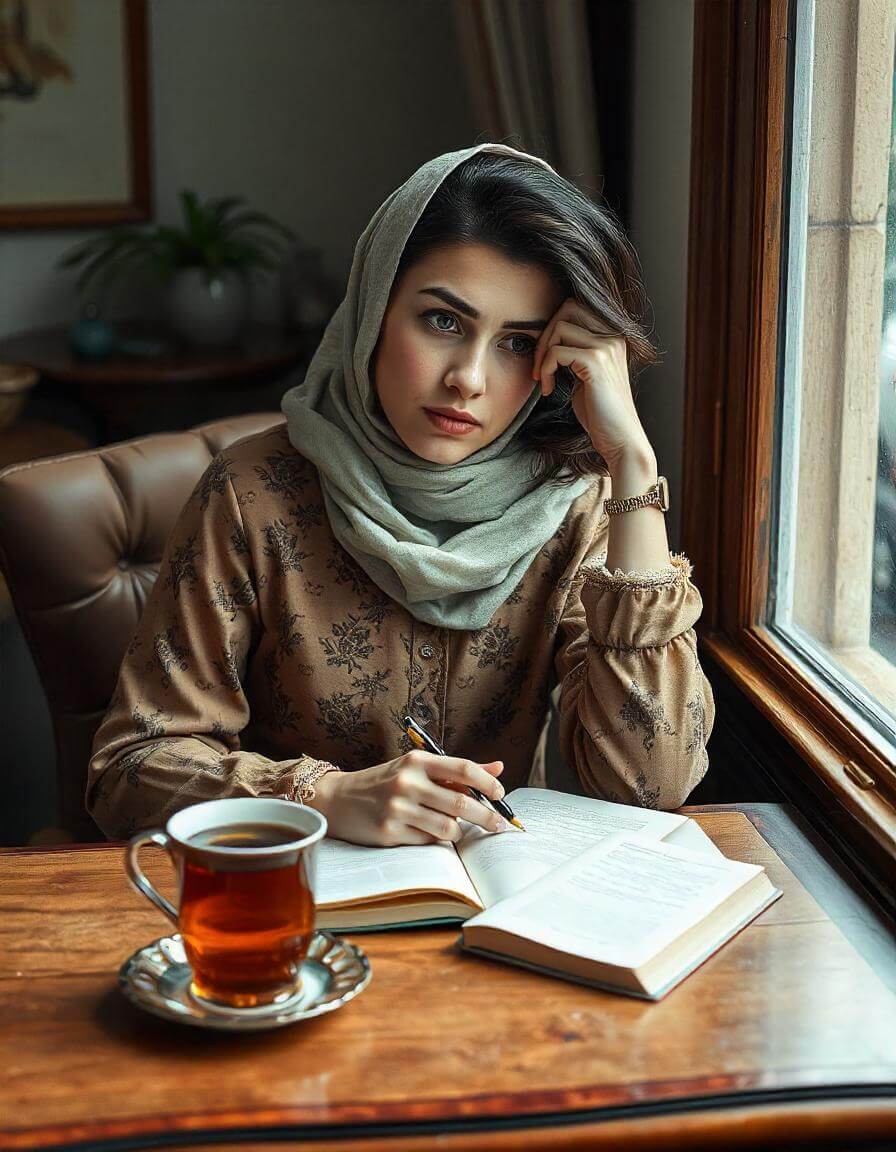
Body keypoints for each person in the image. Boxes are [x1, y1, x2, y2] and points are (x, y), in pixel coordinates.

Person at [86, 141, 715, 846]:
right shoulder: (250, 494)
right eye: (444, 321)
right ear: (375, 308)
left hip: (487, 912)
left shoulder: (573, 506)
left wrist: (631, 463)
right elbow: (128, 773)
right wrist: (323, 795)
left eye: (517, 344)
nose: (468, 380)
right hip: (287, 899)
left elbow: (653, 781)